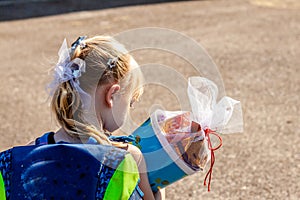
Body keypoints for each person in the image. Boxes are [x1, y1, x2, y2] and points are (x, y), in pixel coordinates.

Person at [25, 35, 165, 199]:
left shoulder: (32, 151)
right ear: (112, 95)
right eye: (131, 103)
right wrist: (159, 188)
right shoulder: (126, 156)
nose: (129, 110)